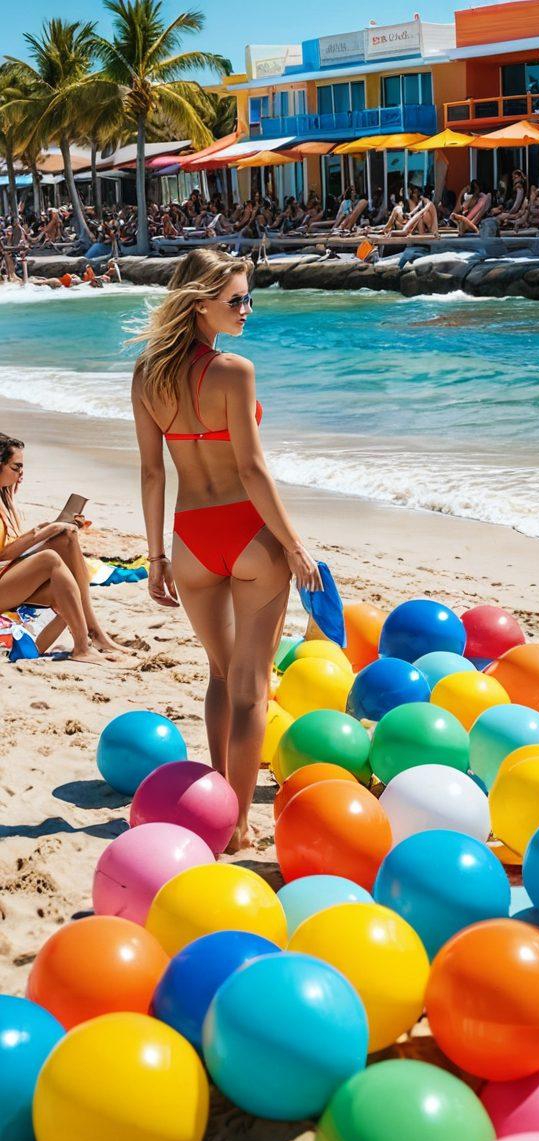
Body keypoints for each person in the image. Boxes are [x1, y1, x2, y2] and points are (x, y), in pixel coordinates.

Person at [129, 248, 322, 852]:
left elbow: (152, 473)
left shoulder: (146, 375)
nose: (247, 309)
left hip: (190, 540)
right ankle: (236, 825)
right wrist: (294, 546)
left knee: (219, 674)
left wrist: (155, 557)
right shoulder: (234, 370)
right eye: (236, 300)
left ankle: (216, 810)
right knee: (251, 687)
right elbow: (252, 469)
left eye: (248, 298)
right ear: (200, 303)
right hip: (248, 535)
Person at [0, 433, 127, 663]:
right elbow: (4, 553)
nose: (21, 474)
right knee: (50, 558)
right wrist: (44, 531)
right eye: (16, 468)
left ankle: (94, 634)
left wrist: (55, 527)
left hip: (7, 575)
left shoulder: (5, 498)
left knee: (66, 537)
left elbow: (12, 546)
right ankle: (83, 647)